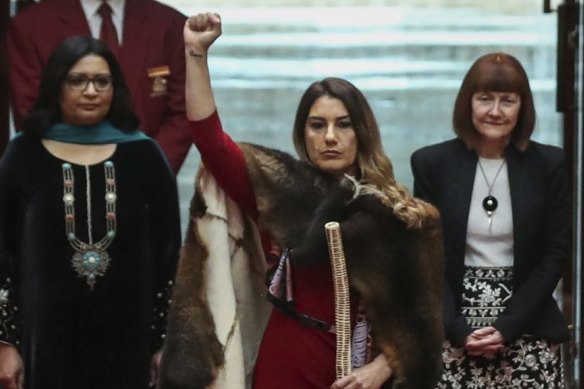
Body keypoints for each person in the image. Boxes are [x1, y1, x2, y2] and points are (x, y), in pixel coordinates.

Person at [160, 12, 443, 389]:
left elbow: (421, 320)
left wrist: (383, 367)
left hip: (361, 375)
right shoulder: (279, 191)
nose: (329, 136)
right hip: (286, 364)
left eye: (342, 124)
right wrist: (196, 53)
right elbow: (208, 138)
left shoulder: (397, 213)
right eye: (317, 125)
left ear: (361, 133)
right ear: (303, 133)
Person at [0, 36, 181, 389]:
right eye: (77, 80)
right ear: (56, 86)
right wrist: (5, 343)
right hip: (43, 345)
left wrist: (165, 344)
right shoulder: (24, 155)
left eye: (102, 81)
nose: (91, 91)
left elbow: (169, 257)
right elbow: (1, 254)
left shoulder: (144, 156)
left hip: (130, 343)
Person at [411, 52, 570, 388]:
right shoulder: (431, 163)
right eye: (485, 99)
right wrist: (458, 329)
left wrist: (507, 326)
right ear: (467, 104)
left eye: (507, 101)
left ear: (522, 107)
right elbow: (427, 256)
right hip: (454, 330)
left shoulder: (551, 165)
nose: (495, 111)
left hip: (527, 327)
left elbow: (555, 254)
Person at [8, 0, 190, 175]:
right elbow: (32, 111)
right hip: (59, 182)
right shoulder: (30, 25)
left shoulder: (170, 24)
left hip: (145, 184)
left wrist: (147, 170)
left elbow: (184, 111)